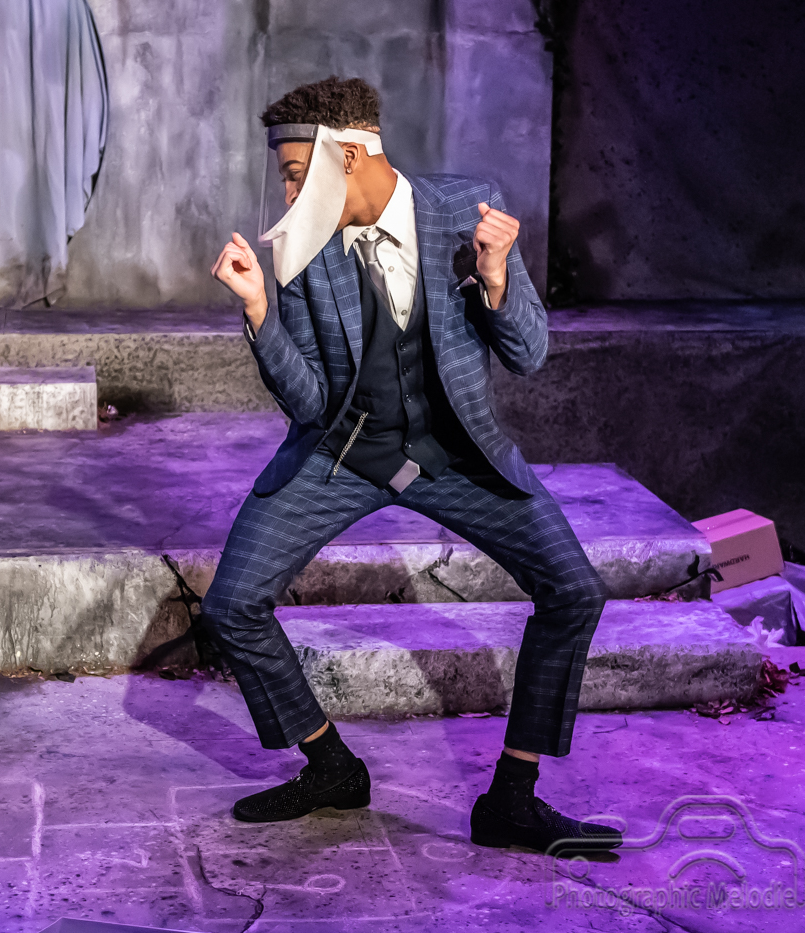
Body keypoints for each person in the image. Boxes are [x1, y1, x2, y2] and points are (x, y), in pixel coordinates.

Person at [205, 76, 621, 853]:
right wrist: (259, 312)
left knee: (573, 590)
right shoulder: (301, 247)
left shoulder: (466, 209)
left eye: (295, 175)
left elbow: (529, 354)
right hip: (343, 450)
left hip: (453, 453)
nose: (287, 195)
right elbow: (309, 401)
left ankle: (512, 799)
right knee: (231, 604)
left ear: (349, 156)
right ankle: (331, 766)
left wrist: (497, 277)